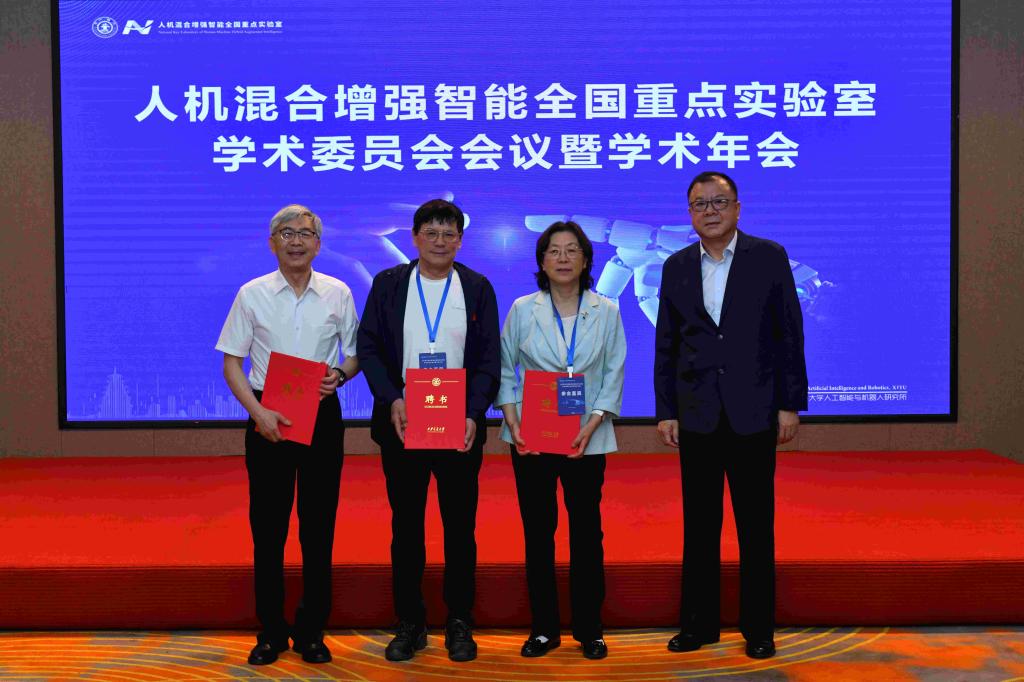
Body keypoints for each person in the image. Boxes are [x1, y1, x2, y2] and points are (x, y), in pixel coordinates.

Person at [653, 171, 807, 660]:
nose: (710, 211)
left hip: (754, 410)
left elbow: (789, 333)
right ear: (689, 214)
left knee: (755, 526)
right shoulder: (676, 265)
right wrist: (666, 410)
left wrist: (789, 403)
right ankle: (697, 625)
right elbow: (667, 342)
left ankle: (758, 629)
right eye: (700, 204)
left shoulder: (769, 256)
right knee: (699, 526)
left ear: (738, 208)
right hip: (696, 412)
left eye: (719, 202)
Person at [216, 204, 360, 666]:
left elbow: (356, 353)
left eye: (305, 233)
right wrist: (257, 413)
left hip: (321, 414)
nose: (296, 241)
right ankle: (271, 632)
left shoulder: (338, 292)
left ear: (318, 243)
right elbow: (231, 362)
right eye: (286, 233)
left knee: (318, 529)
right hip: (267, 415)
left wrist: (340, 374)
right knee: (269, 529)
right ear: (272, 242)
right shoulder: (251, 293)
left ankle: (312, 630)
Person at [357, 198, 500, 663]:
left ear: (460, 240)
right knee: (406, 527)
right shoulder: (389, 284)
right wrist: (392, 399)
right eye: (431, 233)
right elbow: (369, 348)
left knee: (460, 528)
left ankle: (459, 621)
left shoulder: (477, 287)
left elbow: (489, 359)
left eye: (449, 234)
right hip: (403, 422)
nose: (440, 241)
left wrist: (474, 413)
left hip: (459, 426)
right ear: (415, 237)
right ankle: (410, 623)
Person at [495, 221, 626, 660]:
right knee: (538, 533)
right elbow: (505, 368)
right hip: (530, 436)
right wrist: (512, 420)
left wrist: (595, 420)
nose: (563, 258)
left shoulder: (606, 309)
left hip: (586, 436)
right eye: (554, 250)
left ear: (586, 260)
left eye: (572, 250)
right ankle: (544, 629)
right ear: (542, 260)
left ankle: (590, 629)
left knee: (587, 533)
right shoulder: (522, 308)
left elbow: (614, 371)